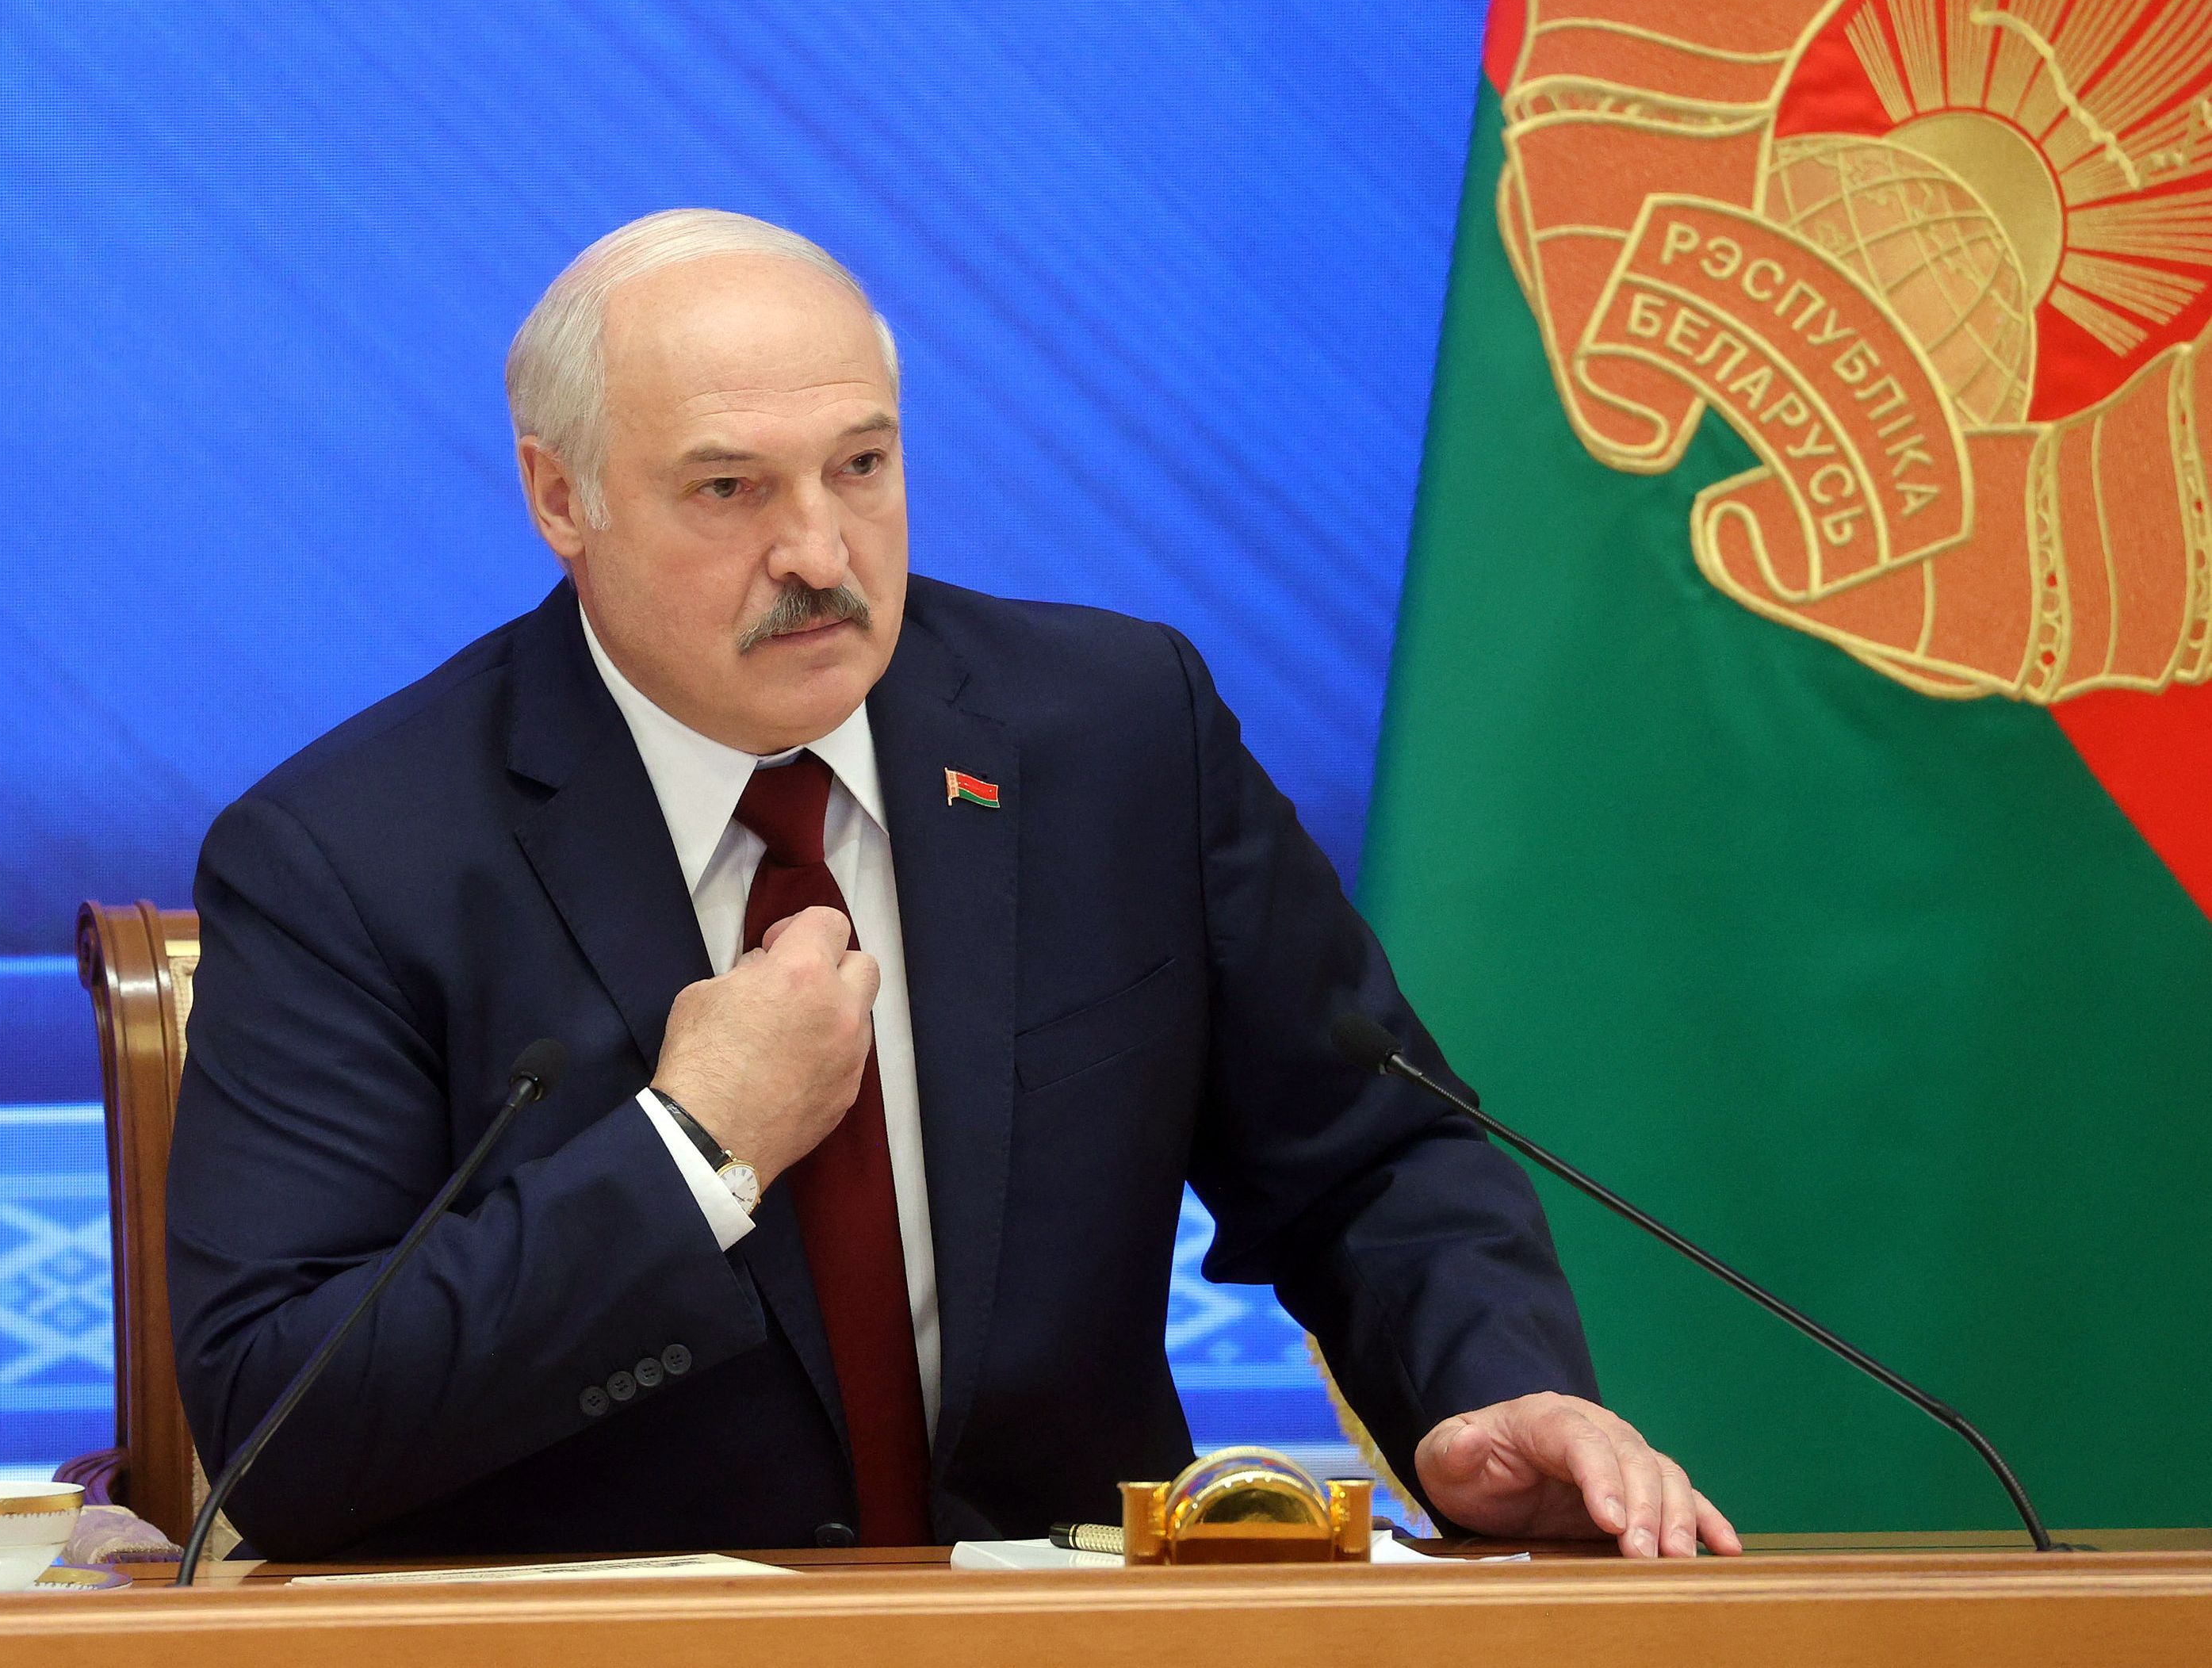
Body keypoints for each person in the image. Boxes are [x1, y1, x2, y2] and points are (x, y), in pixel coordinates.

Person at [165, 209, 1736, 1563]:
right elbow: (284, 1431)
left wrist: (1482, 1385)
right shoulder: (351, 855)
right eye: (728, 489)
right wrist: (692, 1148)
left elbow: (1370, 1154)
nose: (819, 550)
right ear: (558, 497)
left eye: (861, 464)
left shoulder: (1115, 737)